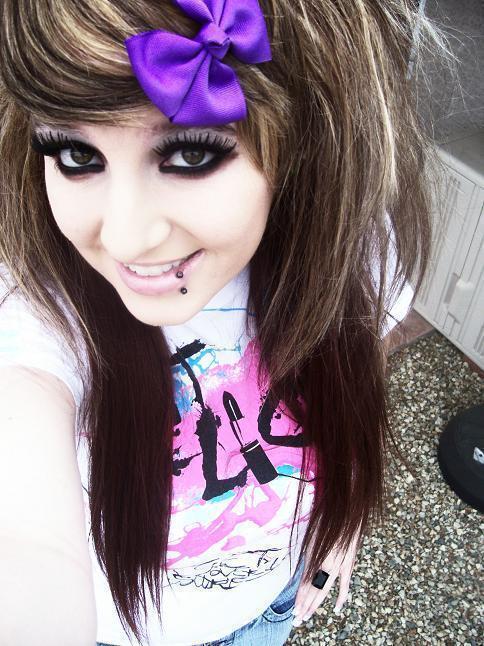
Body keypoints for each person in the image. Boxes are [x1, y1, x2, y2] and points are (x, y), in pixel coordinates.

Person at [0, 1, 436, 645]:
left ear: (302, 137)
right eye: (74, 154)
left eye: (190, 155)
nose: (124, 238)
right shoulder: (41, 309)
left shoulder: (355, 258)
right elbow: (26, 537)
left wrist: (342, 517)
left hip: (266, 613)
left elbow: (348, 387)